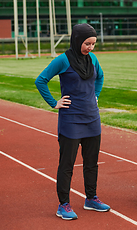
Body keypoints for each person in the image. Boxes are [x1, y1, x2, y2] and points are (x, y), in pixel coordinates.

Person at [35, 23, 110, 220]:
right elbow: (41, 80)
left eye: (93, 44)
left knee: (91, 163)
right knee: (67, 164)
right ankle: (64, 205)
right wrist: (54, 102)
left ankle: (91, 198)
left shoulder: (93, 59)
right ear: (77, 40)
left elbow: (100, 78)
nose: (91, 48)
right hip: (71, 119)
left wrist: (96, 96)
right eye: (87, 44)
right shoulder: (62, 60)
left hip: (92, 117)